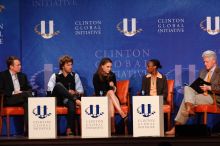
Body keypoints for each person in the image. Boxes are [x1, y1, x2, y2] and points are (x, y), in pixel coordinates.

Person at [166, 50, 220, 135]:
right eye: (204, 62)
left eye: (207, 62)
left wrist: (209, 87)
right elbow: (198, 84)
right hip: (200, 94)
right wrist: (195, 86)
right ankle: (189, 108)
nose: (205, 64)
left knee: (186, 100)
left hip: (212, 97)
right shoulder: (203, 71)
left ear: (214, 61)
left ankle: (177, 126)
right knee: (187, 88)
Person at [47, 55, 84, 136]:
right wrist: (64, 91)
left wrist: (75, 92)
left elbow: (81, 91)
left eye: (71, 65)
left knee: (71, 102)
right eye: (68, 65)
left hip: (68, 100)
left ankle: (69, 129)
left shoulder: (75, 76)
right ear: (63, 66)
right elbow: (49, 91)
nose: (71, 67)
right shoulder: (55, 76)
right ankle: (76, 100)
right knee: (58, 85)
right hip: (57, 100)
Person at [93, 57, 127, 134]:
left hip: (112, 98)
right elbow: (97, 91)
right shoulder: (96, 76)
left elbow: (115, 90)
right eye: (107, 67)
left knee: (111, 98)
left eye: (110, 67)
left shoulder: (112, 75)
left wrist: (113, 86)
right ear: (102, 66)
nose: (109, 68)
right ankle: (122, 113)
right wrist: (108, 90)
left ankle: (112, 129)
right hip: (101, 98)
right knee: (110, 92)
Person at [0, 56, 33, 136]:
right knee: (27, 96)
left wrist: (26, 92)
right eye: (18, 65)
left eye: (20, 64)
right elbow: (0, 90)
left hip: (22, 98)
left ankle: (28, 131)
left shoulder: (22, 76)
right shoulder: (3, 75)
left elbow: (28, 88)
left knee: (27, 103)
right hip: (9, 99)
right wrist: (13, 92)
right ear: (11, 66)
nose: (20, 66)